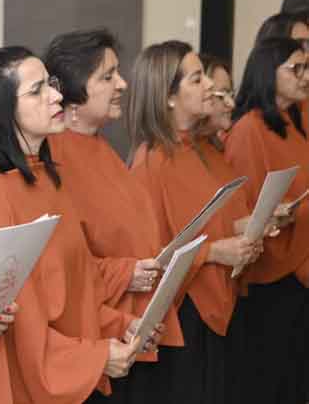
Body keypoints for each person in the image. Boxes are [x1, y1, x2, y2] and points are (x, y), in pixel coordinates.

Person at [0, 45, 155, 404]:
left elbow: (76, 289)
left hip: (76, 370)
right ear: (1, 112)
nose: (57, 96)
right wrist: (93, 358)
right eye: (37, 90)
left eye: (51, 84)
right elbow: (14, 324)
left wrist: (118, 324)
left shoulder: (46, 179)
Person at [44, 29, 184, 403]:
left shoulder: (100, 147)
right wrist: (124, 273)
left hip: (138, 322)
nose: (122, 84)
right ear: (73, 91)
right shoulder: (55, 158)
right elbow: (61, 265)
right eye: (107, 76)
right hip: (100, 334)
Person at [126, 40, 259, 404]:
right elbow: (150, 255)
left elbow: (209, 222)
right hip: (182, 314)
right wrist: (215, 252)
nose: (210, 87)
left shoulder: (197, 149)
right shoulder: (152, 162)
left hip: (211, 303)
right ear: (169, 97)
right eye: (197, 79)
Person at [225, 37, 309, 404]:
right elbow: (246, 210)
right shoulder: (249, 129)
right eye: (296, 68)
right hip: (273, 275)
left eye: (307, 67)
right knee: (270, 381)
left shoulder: (292, 122)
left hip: (297, 269)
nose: (305, 76)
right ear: (267, 72)